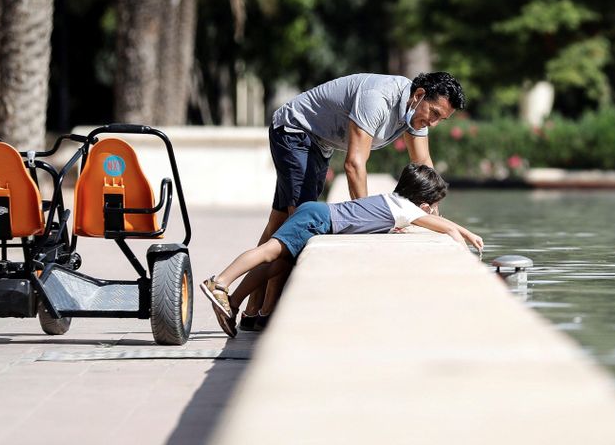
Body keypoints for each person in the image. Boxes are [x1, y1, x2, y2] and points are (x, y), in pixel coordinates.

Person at [236, 72, 467, 331]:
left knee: (278, 222)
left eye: (441, 119)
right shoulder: (377, 98)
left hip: (319, 143)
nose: (433, 123)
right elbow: (355, 164)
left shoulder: (416, 113)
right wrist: (371, 221)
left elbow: (423, 165)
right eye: (434, 114)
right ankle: (266, 313)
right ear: (419, 95)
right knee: (296, 228)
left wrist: (436, 217)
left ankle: (249, 311)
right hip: (294, 131)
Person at [200, 163, 484, 337]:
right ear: (424, 206)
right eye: (434, 207)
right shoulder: (407, 209)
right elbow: (444, 228)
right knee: (268, 252)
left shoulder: (395, 202)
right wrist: (467, 243)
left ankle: (233, 303)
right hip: (317, 219)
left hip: (318, 215)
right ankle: (220, 282)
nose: (435, 213)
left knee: (277, 263)